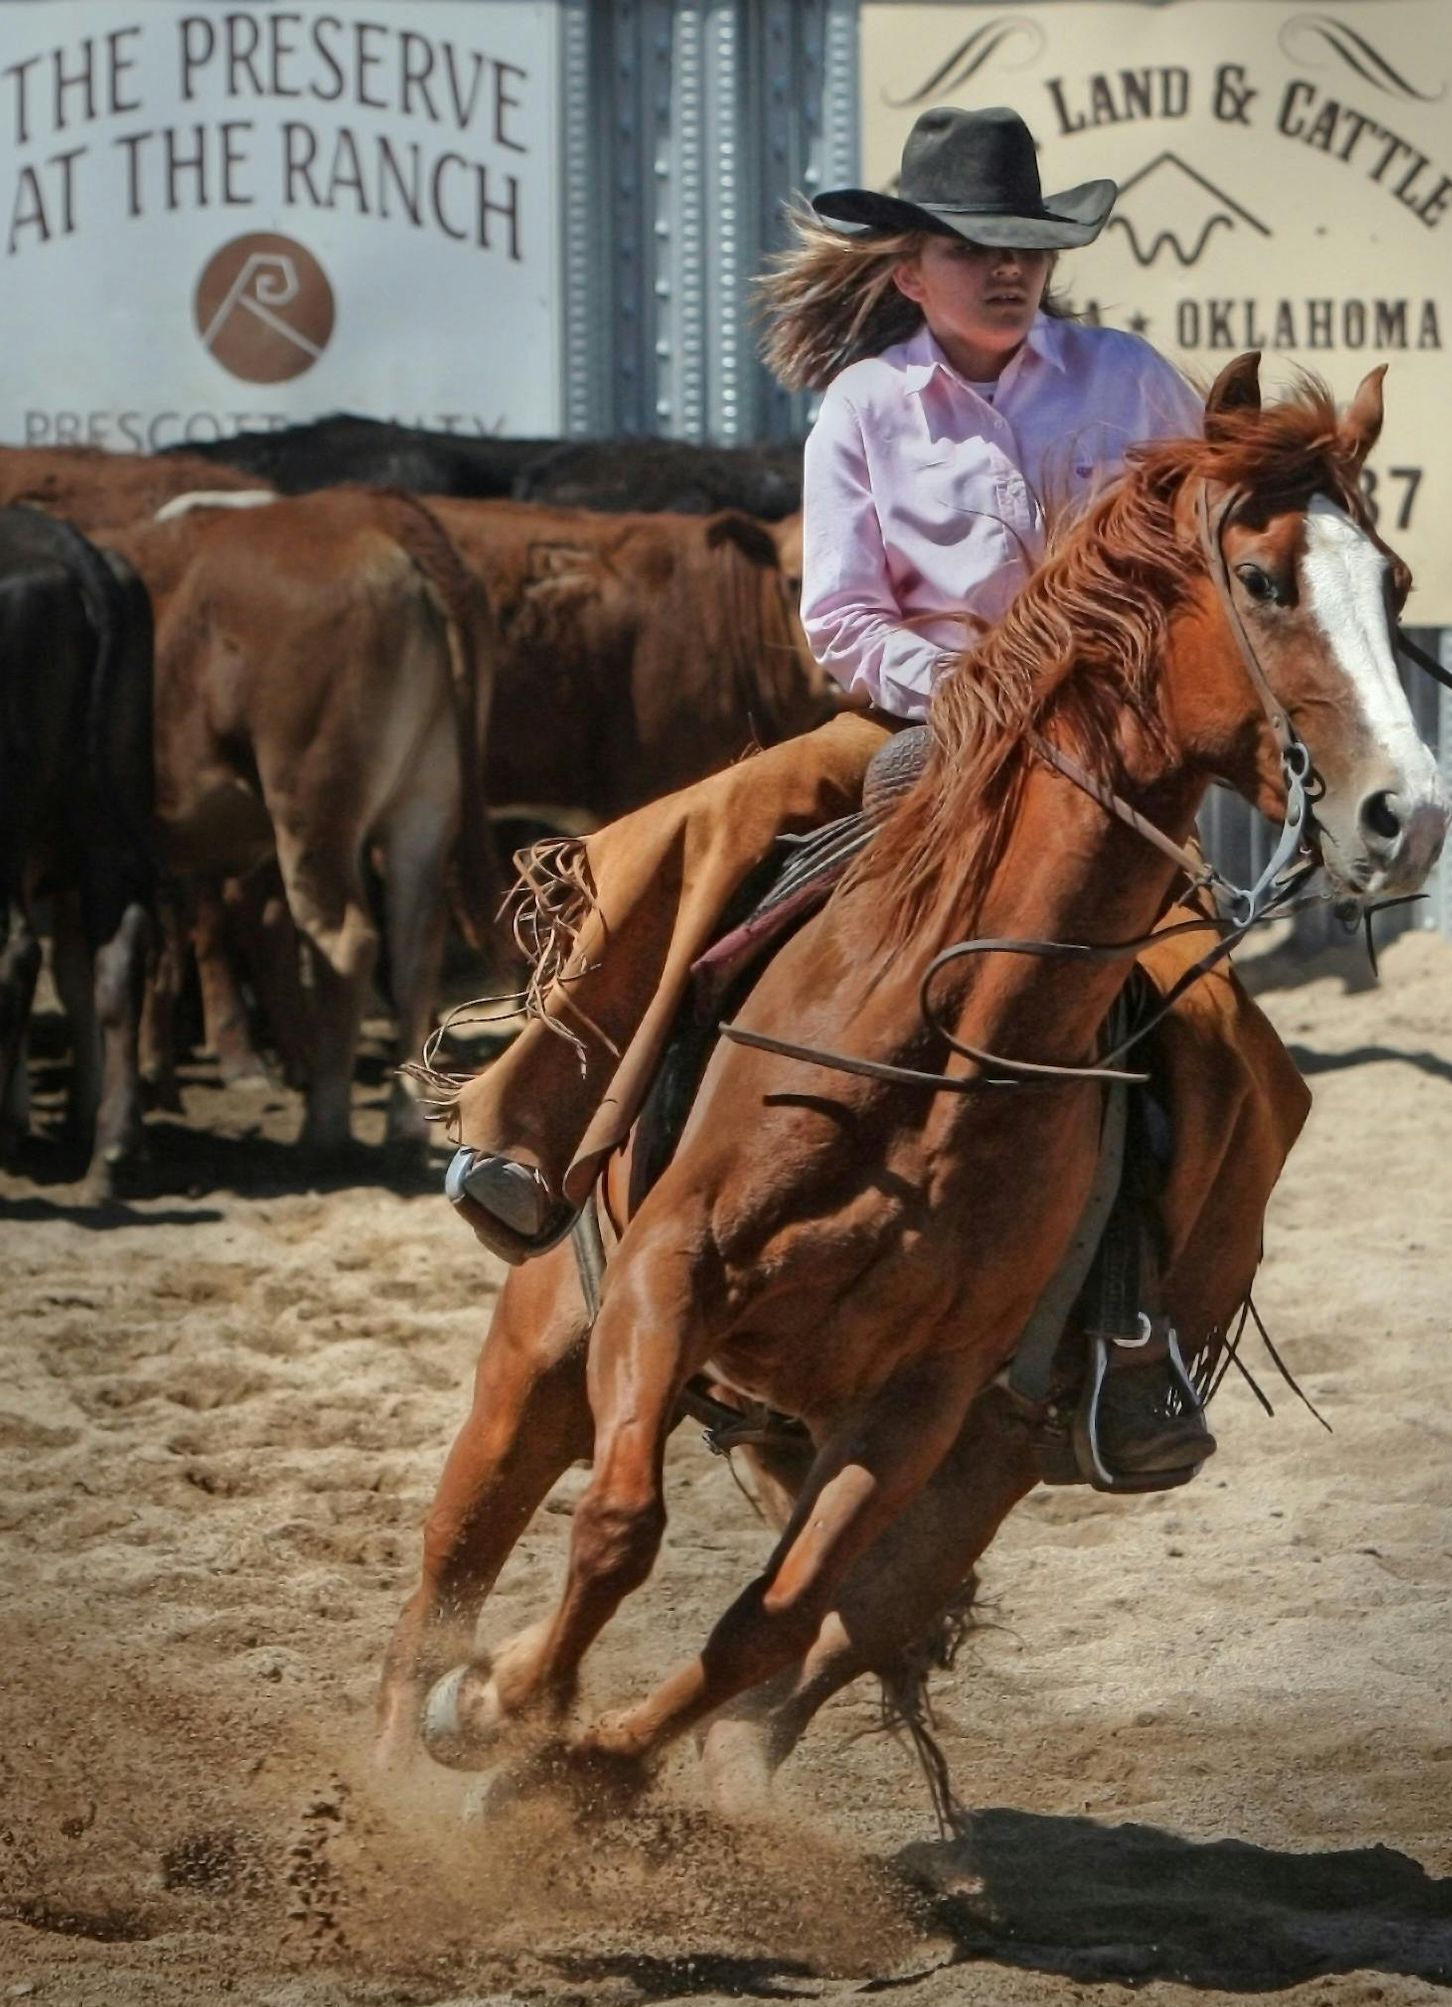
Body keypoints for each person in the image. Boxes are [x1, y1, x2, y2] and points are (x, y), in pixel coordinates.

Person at [443, 106, 1228, 1482]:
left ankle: (1132, 1336)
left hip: (1103, 770)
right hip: (915, 726)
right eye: (970, 248)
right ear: (909, 271)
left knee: (1209, 1026)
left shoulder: (1132, 382)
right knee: (716, 826)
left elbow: (1202, 574)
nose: (1004, 270)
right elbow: (844, 621)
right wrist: (979, 697)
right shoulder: (867, 407)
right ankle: (534, 1112)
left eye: (1025, 247)